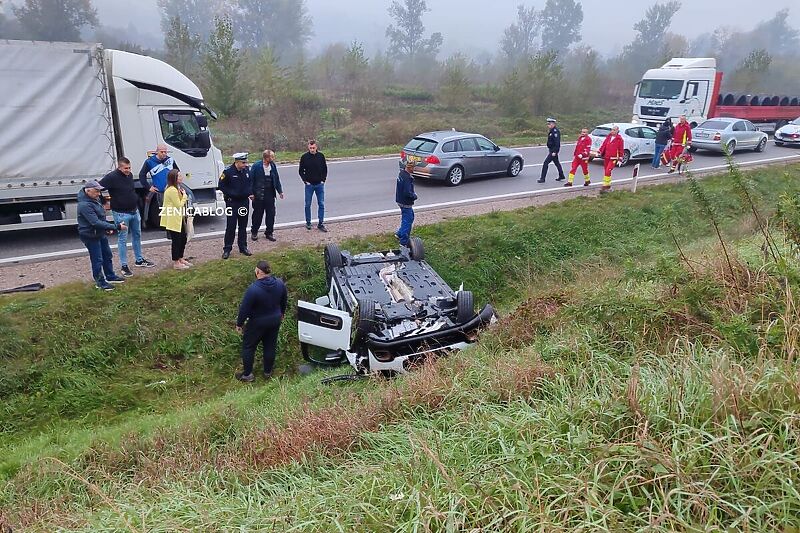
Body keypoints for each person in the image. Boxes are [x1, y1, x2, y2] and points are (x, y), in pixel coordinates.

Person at [99, 156, 155, 276]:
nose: (128, 170)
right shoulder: (111, 177)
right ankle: (124, 265)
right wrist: (103, 202)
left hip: (134, 211)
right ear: (119, 167)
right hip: (120, 213)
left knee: (137, 235)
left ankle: (139, 259)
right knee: (123, 239)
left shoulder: (129, 176)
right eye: (125, 168)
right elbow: (97, 187)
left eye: (129, 168)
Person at [235, 260, 288, 382]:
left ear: (258, 272)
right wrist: (282, 313)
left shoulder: (253, 289)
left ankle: (247, 374)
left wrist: (239, 323)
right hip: (275, 320)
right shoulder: (280, 283)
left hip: (257, 323)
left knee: (248, 347)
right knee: (270, 345)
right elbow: (284, 299)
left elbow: (244, 309)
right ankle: (268, 372)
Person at [77, 180, 127, 291]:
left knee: (107, 255)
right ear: (88, 190)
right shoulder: (84, 205)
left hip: (99, 233)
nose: (99, 194)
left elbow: (101, 217)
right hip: (90, 235)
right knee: (97, 259)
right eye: (96, 191)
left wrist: (106, 229)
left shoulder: (94, 199)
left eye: (99, 191)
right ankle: (100, 282)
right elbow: (95, 222)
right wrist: (116, 226)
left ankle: (110, 276)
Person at [218, 152, 253, 259]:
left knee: (243, 226)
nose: (245, 164)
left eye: (246, 162)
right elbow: (221, 186)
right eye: (243, 162)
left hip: (243, 202)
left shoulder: (246, 170)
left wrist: (250, 192)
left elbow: (250, 183)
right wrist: (232, 194)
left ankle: (243, 247)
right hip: (232, 203)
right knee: (231, 226)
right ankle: (227, 249)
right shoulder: (228, 172)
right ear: (237, 162)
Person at [138, 144, 179, 224]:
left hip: (172, 190)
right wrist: (149, 187)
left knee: (174, 209)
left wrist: (178, 185)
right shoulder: (149, 162)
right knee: (164, 210)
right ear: (157, 152)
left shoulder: (170, 160)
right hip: (161, 191)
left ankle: (173, 226)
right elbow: (142, 175)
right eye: (162, 152)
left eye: (165, 152)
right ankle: (167, 228)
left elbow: (177, 172)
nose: (164, 154)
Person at [160, 169, 192, 270]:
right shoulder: (171, 190)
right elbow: (178, 205)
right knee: (176, 240)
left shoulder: (177, 188)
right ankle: (176, 261)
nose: (181, 177)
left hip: (179, 218)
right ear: (174, 178)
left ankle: (181, 257)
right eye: (179, 176)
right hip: (173, 219)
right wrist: (185, 197)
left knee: (183, 238)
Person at [250, 149, 284, 242]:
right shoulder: (256, 166)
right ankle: (254, 232)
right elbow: (251, 180)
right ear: (266, 157)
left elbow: (276, 179)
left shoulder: (272, 165)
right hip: (258, 194)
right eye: (272, 156)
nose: (273, 158)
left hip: (270, 193)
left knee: (271, 214)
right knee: (257, 214)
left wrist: (280, 191)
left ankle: (269, 232)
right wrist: (251, 193)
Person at [299, 139, 328, 232]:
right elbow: (301, 170)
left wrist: (323, 180)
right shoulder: (304, 157)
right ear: (308, 147)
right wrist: (305, 181)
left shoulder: (321, 156)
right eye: (310, 148)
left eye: (313, 148)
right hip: (309, 185)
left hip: (319, 184)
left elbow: (325, 169)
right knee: (307, 204)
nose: (312, 149)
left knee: (321, 204)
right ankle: (308, 222)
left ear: (316, 147)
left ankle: (321, 223)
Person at [395, 159, 418, 246]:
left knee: (410, 216)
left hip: (400, 200)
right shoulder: (407, 178)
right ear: (409, 167)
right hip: (405, 203)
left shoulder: (401, 173)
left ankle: (399, 233)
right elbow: (407, 193)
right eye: (413, 167)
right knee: (407, 222)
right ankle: (403, 242)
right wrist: (414, 196)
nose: (414, 169)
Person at [597, 125, 625, 192]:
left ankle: (605, 186)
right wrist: (600, 151)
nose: (612, 131)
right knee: (606, 171)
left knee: (608, 171)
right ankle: (608, 185)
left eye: (614, 130)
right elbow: (604, 145)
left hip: (613, 158)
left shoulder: (620, 139)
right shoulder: (608, 137)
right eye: (612, 130)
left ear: (617, 131)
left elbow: (621, 149)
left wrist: (620, 158)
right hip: (607, 156)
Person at [538, 118, 566, 183]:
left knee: (545, 163)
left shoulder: (555, 131)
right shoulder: (551, 131)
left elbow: (557, 143)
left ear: (553, 124)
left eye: (549, 124)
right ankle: (561, 175)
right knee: (557, 163)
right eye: (548, 124)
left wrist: (555, 152)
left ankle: (542, 178)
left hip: (553, 150)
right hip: (551, 150)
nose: (548, 125)